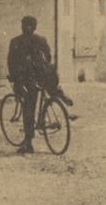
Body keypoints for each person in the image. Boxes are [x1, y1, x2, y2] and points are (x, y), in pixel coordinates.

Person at [7, 15, 74, 154]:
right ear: (35, 27)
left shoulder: (16, 42)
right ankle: (60, 96)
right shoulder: (41, 40)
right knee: (51, 87)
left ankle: (28, 143)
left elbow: (11, 63)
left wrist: (14, 79)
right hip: (45, 76)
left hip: (28, 80)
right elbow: (48, 57)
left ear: (22, 26)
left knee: (28, 108)